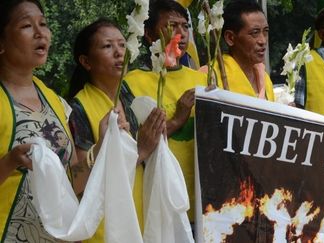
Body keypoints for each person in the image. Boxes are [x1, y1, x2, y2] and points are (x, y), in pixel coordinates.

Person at [68, 19, 166, 241]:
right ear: (86, 61)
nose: (119, 53)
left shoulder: (130, 98)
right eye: (107, 46)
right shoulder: (78, 108)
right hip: (105, 228)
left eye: (122, 45)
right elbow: (78, 183)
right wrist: (140, 152)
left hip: (139, 215)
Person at [0, 0, 78, 241]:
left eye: (43, 24)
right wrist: (10, 161)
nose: (40, 32)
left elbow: (72, 176)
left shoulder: (53, 100)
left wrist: (105, 142)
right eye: (26, 25)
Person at [124, 0, 207, 223]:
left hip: (203, 204)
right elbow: (135, 146)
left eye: (185, 26)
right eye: (172, 26)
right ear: (150, 35)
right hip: (162, 205)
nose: (181, 33)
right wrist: (178, 118)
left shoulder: (203, 80)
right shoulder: (133, 83)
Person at [213, 0, 274, 100]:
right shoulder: (211, 75)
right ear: (230, 38)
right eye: (255, 33)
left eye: (265, 31)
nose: (263, 40)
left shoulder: (265, 78)